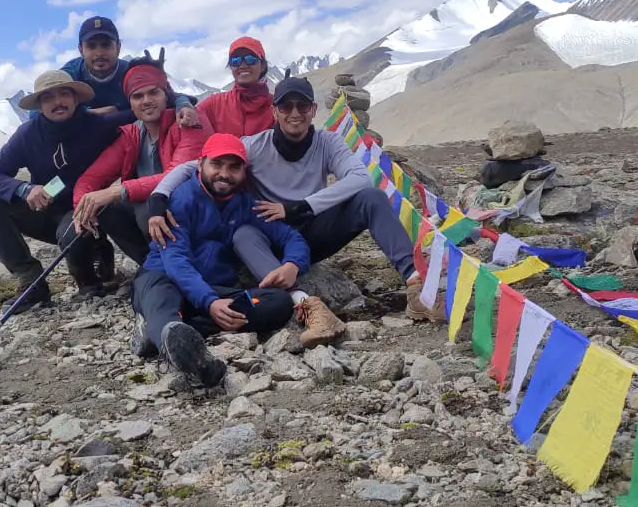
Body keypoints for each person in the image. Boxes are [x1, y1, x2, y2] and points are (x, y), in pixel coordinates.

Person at [146, 74, 436, 331]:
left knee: (371, 197)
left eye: (302, 106)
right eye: (285, 106)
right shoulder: (254, 145)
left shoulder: (329, 142)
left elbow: (361, 178)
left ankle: (414, 284)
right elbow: (194, 166)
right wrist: (158, 199)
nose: (294, 113)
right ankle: (304, 304)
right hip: (268, 232)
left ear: (313, 110)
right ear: (274, 111)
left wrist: (301, 207)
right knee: (242, 234)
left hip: (312, 227)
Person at [131, 133, 307, 388]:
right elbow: (176, 261)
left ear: (244, 172)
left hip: (212, 291)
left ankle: (159, 330)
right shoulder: (180, 200)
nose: (224, 173)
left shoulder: (247, 205)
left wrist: (293, 264)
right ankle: (196, 361)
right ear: (200, 164)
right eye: (217, 164)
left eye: (234, 167)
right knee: (164, 303)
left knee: (276, 301)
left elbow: (292, 238)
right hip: (164, 279)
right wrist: (210, 302)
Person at [0, 69, 131, 314]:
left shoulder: (99, 125)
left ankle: (91, 273)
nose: (57, 102)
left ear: (76, 98)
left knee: (74, 239)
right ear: (39, 105)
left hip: (85, 213)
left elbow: (147, 109)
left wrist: (184, 104)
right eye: (48, 97)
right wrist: (24, 188)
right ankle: (31, 282)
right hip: (44, 213)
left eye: (64, 94)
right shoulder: (28, 134)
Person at [71, 48, 214, 265]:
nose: (146, 101)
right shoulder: (132, 134)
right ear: (130, 102)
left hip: (196, 210)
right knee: (108, 209)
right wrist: (83, 206)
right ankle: (151, 263)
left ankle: (185, 262)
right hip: (156, 214)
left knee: (144, 207)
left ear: (166, 94)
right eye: (137, 96)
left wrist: (115, 191)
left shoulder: (189, 120)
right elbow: (91, 178)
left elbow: (177, 174)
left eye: (153, 92)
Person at [27, 15, 201, 125]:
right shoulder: (69, 76)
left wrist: (183, 105)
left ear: (118, 47)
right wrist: (87, 114)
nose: (99, 53)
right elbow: (36, 114)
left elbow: (169, 96)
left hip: (125, 138)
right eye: (92, 46)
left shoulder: (131, 73)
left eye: (106, 45)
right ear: (81, 49)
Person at [195, 36, 276, 138]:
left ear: (263, 65)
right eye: (235, 60)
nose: (242, 65)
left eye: (250, 59)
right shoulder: (214, 104)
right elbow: (186, 121)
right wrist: (182, 102)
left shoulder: (278, 106)